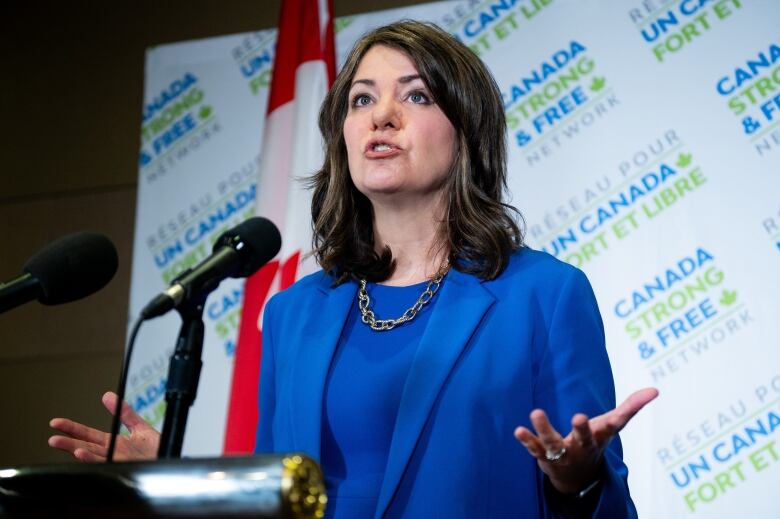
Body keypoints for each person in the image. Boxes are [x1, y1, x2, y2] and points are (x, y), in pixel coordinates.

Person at [49, 21, 658, 518]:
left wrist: (575, 482)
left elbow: (612, 510)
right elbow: (279, 503)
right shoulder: (293, 314)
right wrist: (187, 479)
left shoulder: (544, 296)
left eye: (415, 95)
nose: (381, 115)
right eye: (362, 98)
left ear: (467, 131)